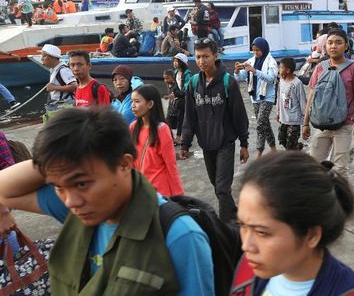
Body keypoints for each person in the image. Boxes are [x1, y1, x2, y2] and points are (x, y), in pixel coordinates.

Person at [0, 107, 214, 295]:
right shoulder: (81, 210)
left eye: (82, 183)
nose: (71, 201)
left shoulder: (178, 236)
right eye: (58, 187)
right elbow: (4, 189)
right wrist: (53, 159)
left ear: (124, 164)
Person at [231, 152, 354, 296]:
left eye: (262, 232)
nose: (246, 246)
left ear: (311, 235)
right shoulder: (249, 268)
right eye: (242, 225)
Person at [180, 38, 250, 223]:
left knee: (221, 187)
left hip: (225, 143)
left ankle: (227, 226)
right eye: (198, 57)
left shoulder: (228, 82)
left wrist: (244, 143)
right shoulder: (194, 83)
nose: (201, 61)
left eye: (206, 56)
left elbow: (239, 116)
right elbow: (189, 116)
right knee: (216, 184)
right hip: (206, 143)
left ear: (215, 56)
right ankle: (234, 214)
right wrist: (185, 144)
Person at [302, 28, 354, 173]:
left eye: (338, 43)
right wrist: (305, 123)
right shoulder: (319, 68)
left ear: (346, 46)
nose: (333, 46)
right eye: (330, 43)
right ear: (325, 46)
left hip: (344, 125)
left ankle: (339, 195)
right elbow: (311, 96)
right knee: (314, 166)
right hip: (321, 125)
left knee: (340, 168)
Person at [130, 84, 184, 197]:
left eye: (137, 101)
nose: (133, 106)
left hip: (160, 192)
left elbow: (171, 165)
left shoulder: (162, 129)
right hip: (140, 191)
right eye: (132, 101)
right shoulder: (133, 127)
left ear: (150, 104)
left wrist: (179, 195)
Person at [234, 37, 278, 159]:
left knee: (260, 124)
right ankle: (274, 149)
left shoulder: (271, 62)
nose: (256, 53)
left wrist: (255, 71)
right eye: (253, 50)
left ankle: (259, 152)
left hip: (267, 97)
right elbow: (241, 77)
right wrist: (237, 70)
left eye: (258, 50)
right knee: (265, 124)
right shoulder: (251, 60)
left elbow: (270, 79)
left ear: (264, 49)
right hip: (255, 97)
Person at [276, 58, 307, 150]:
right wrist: (278, 112)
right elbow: (279, 97)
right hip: (284, 118)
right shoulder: (281, 81)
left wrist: (305, 121)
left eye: (281, 68)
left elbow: (302, 101)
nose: (279, 70)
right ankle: (297, 147)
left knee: (290, 146)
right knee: (282, 139)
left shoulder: (297, 83)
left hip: (294, 119)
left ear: (288, 70)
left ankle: (293, 157)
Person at [41, 44, 77, 122]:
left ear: (52, 57)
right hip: (58, 107)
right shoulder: (54, 69)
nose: (42, 59)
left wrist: (54, 88)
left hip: (64, 107)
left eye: (44, 56)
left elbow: (74, 86)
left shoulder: (63, 70)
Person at [164, 53, 192, 144]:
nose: (175, 63)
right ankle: (169, 136)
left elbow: (186, 89)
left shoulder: (187, 74)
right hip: (176, 98)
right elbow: (174, 85)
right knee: (169, 117)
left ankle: (179, 136)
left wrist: (177, 94)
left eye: (177, 61)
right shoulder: (175, 72)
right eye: (174, 61)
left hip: (183, 99)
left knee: (181, 117)